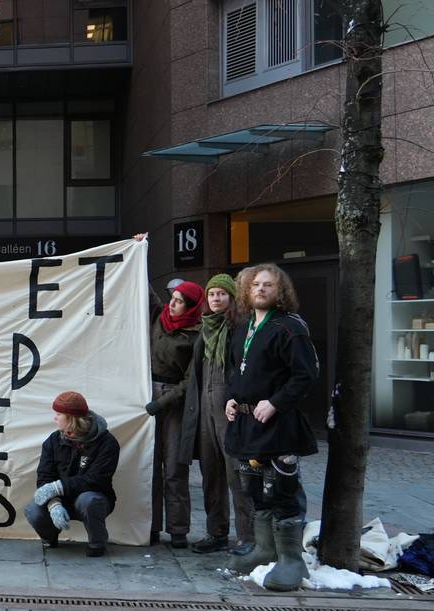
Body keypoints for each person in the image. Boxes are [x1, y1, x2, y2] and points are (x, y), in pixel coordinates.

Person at [224, 264, 319, 591]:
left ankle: (292, 560)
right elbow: (237, 372)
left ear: (281, 291)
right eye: (255, 285)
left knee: (282, 491)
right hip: (246, 427)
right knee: (254, 489)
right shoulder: (244, 329)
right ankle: (265, 549)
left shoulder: (290, 328)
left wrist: (276, 402)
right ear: (246, 291)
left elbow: (305, 375)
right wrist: (231, 398)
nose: (261, 289)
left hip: (278, 427)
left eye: (268, 285)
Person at [135, 233, 202, 549]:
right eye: (172, 298)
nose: (172, 304)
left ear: (190, 306)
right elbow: (144, 291)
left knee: (174, 467)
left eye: (179, 301)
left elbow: (191, 380)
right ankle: (150, 527)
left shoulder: (196, 334)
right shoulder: (158, 319)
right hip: (148, 390)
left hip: (174, 399)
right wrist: (140, 251)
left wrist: (163, 402)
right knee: (151, 466)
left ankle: (178, 529)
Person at [179, 273, 254, 555]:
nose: (216, 299)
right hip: (204, 408)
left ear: (231, 297)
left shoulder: (241, 327)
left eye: (222, 294)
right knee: (210, 474)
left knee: (237, 475)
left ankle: (247, 537)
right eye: (211, 294)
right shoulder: (205, 328)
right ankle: (216, 532)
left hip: (229, 409)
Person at [24, 391, 120, 557]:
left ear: (71, 419)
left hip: (93, 497)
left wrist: (58, 487)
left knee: (89, 501)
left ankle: (97, 543)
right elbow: (44, 477)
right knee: (32, 509)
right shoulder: (53, 441)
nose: (55, 418)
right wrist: (54, 504)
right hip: (61, 499)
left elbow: (96, 479)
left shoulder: (107, 443)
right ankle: (49, 538)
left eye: (58, 414)